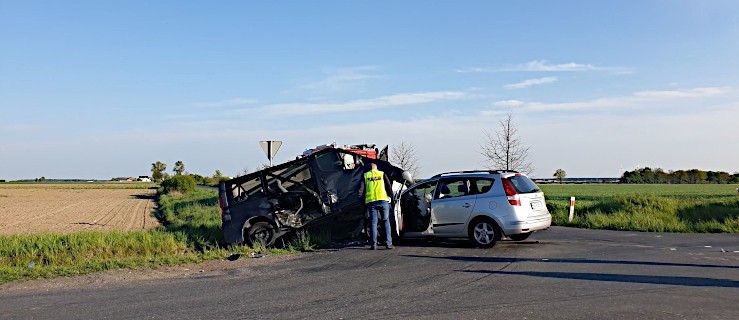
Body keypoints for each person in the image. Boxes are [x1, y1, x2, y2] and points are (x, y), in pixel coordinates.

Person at [358, 162, 394, 250]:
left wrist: (361, 202)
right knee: (386, 221)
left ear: (370, 169)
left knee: (373, 223)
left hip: (371, 202)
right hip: (383, 200)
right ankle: (388, 243)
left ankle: (373, 245)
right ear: (376, 168)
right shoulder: (382, 174)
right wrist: (391, 197)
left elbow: (361, 191)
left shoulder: (366, 175)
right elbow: (388, 187)